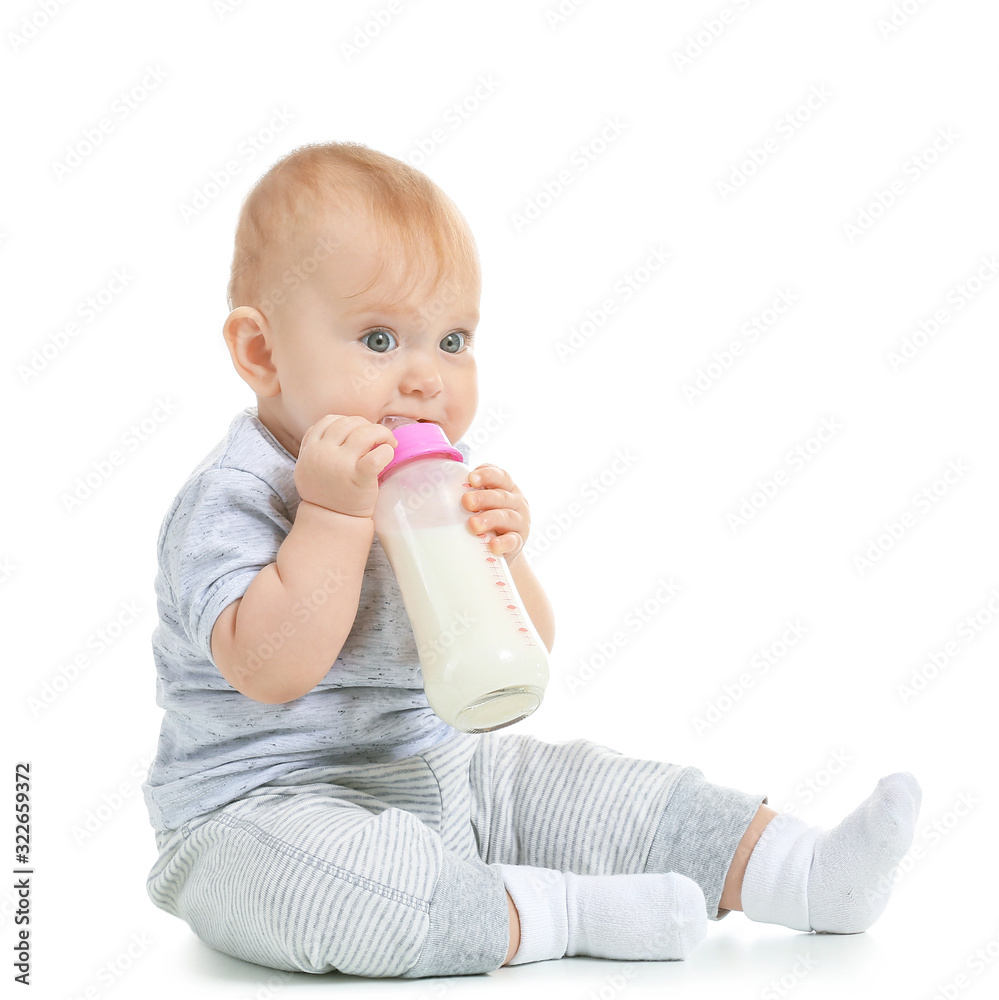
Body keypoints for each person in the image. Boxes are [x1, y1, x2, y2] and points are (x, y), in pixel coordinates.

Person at [142, 141, 921, 978]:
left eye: (451, 340)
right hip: (263, 812)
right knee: (338, 890)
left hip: (444, 769)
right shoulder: (234, 498)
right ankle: (559, 912)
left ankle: (800, 873)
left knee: (593, 789)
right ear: (261, 354)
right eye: (378, 338)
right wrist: (331, 515)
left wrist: (503, 557)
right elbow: (270, 670)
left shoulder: (435, 474)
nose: (425, 380)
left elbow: (520, 642)